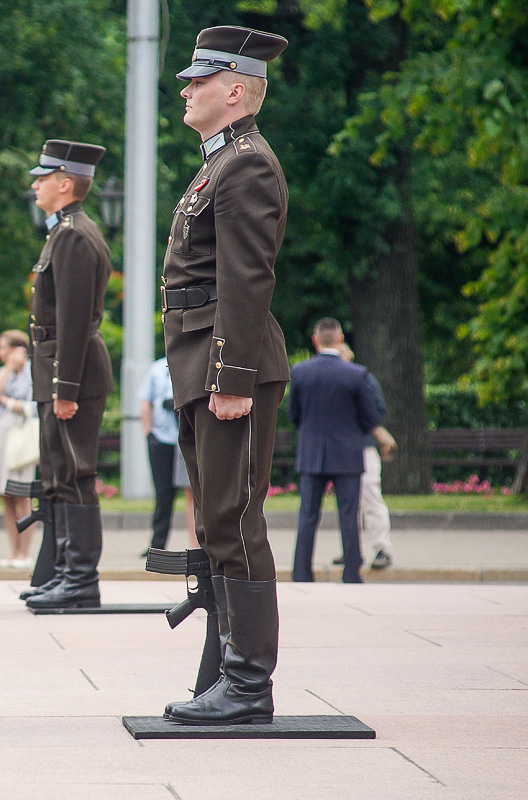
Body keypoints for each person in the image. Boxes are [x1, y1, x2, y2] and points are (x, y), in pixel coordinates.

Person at [159, 26, 291, 726]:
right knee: (216, 521)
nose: (186, 89)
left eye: (199, 80)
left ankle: (247, 685)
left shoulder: (248, 165)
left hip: (225, 364)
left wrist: (232, 375)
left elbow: (246, 279)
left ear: (234, 89)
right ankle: (222, 672)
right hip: (200, 359)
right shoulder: (220, 162)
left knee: (234, 520)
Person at [16, 140, 115, 611]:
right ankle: (61, 573)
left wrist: (65, 390)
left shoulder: (75, 235)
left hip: (69, 372)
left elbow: (75, 322)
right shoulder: (63, 232)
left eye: (42, 177)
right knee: (58, 475)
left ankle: (80, 579)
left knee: (75, 474)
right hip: (56, 369)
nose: (35, 185)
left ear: (64, 183)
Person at [289, 318, 384, 584]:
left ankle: (301, 573)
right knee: (348, 516)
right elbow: (370, 417)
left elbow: (294, 415)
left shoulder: (299, 372)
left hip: (311, 454)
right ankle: (351, 572)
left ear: (315, 340)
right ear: (340, 340)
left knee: (307, 516)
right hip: (348, 454)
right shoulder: (356, 374)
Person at [0, 330, 37, 569]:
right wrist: (7, 369)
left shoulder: (33, 372)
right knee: (6, 497)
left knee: (23, 496)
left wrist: (6, 401)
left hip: (22, 438)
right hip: (1, 434)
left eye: (3, 347)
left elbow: (32, 407)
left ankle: (25, 553)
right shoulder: (2, 372)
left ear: (17, 349)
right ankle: (13, 552)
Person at [339, 342, 395, 570]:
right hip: (345, 446)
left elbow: (378, 412)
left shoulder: (363, 379)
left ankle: (382, 548)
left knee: (371, 495)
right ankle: (352, 550)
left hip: (363, 445)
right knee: (348, 502)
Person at [138, 356, 197, 554]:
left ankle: (197, 545)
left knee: (193, 493)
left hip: (188, 438)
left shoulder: (193, 361)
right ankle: (157, 546)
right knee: (163, 495)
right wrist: (149, 434)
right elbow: (146, 401)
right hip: (162, 438)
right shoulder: (156, 368)